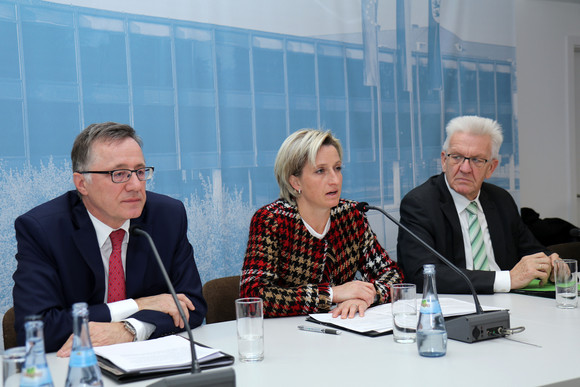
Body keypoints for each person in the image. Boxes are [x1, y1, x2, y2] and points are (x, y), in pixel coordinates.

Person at [13, 122, 207, 354]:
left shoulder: (167, 216)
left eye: (140, 171)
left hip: (149, 360)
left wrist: (130, 329)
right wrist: (138, 305)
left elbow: (191, 306)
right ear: (82, 183)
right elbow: (36, 329)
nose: (135, 185)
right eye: (119, 174)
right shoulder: (43, 230)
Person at [240, 129, 403, 319]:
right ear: (295, 182)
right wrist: (333, 294)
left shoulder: (351, 215)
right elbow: (252, 296)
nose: (334, 180)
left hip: (344, 329)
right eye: (320, 171)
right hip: (288, 337)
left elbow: (392, 274)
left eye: (338, 168)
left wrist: (366, 296)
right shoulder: (271, 221)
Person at [397, 115, 559, 294]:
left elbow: (530, 250)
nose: (465, 168)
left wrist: (551, 263)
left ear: (491, 167)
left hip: (513, 301)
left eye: (476, 160)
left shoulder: (501, 200)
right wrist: (507, 279)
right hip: (458, 306)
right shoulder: (420, 204)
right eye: (457, 157)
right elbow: (421, 274)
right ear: (444, 160)